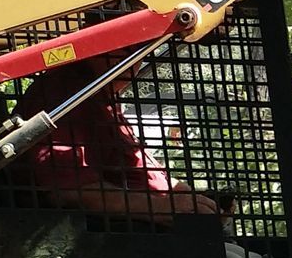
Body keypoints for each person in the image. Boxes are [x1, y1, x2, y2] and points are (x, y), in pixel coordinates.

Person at [13, 57, 220, 224]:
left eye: (139, 48)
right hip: (117, 237)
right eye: (125, 46)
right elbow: (69, 190)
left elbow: (140, 170)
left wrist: (199, 203)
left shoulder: (102, 97)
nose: (132, 58)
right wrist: (163, 208)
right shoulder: (64, 95)